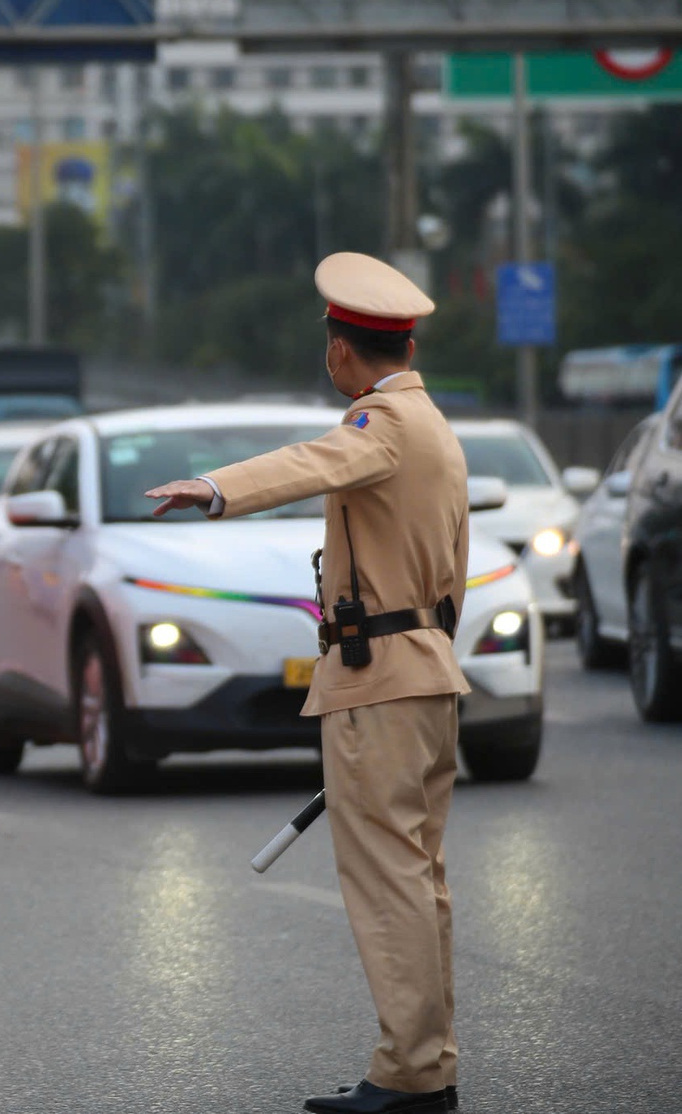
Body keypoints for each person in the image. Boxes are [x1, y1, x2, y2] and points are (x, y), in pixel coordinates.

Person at [144, 253, 470, 1114]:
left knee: (388, 879)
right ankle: (425, 1065)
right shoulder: (435, 423)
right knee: (419, 876)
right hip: (428, 672)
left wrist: (212, 487)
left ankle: (409, 1074)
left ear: (340, 350)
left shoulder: (382, 423)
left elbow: (309, 463)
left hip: (382, 682)